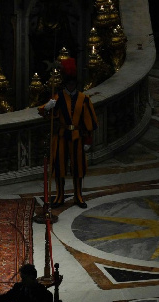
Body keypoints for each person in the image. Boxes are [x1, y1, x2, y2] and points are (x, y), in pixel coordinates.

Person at [38, 57, 98, 209]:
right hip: (62, 137)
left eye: (73, 83)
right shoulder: (57, 97)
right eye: (69, 83)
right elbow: (46, 114)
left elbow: (89, 121)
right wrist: (47, 107)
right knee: (59, 167)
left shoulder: (84, 99)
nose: (71, 85)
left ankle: (78, 195)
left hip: (78, 137)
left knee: (78, 167)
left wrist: (88, 140)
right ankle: (59, 195)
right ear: (65, 83)